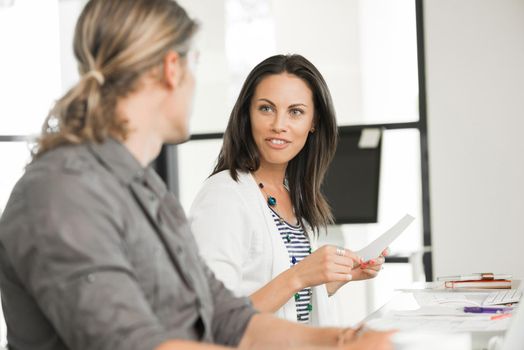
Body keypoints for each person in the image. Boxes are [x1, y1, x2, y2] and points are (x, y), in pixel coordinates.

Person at [0, 1, 393, 350]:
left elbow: (227, 320)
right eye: (195, 64)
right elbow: (133, 343)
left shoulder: (146, 190)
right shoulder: (62, 193)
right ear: (174, 68)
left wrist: (343, 341)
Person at [189, 54, 388, 325]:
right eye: (266, 108)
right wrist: (300, 275)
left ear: (313, 122)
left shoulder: (293, 195)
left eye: (295, 112)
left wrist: (336, 275)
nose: (279, 125)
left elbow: (290, 300)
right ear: (247, 114)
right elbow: (213, 319)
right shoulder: (224, 195)